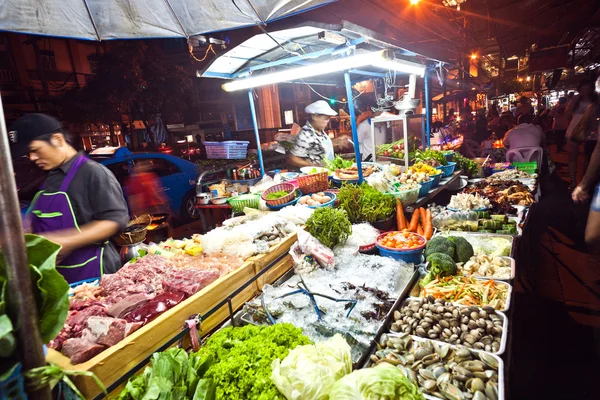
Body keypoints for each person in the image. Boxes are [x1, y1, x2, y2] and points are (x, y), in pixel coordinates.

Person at [9, 114, 129, 283]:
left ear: (57, 139)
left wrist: (65, 241)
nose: (32, 158)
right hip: (59, 277)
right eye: (28, 153)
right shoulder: (50, 178)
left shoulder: (92, 172)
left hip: (95, 273)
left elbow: (116, 220)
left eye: (34, 150)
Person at [566, 78, 598, 189]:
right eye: (583, 88)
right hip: (574, 128)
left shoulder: (596, 99)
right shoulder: (576, 99)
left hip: (591, 129)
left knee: (588, 156)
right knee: (572, 156)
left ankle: (585, 181)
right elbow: (567, 114)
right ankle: (573, 180)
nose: (585, 91)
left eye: (587, 88)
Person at [288, 100, 337, 167]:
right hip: (316, 174)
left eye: (329, 119)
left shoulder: (319, 131)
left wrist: (337, 142)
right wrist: (314, 165)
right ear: (315, 117)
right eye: (326, 118)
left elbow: (317, 146)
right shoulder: (306, 134)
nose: (328, 121)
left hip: (327, 172)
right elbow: (292, 158)